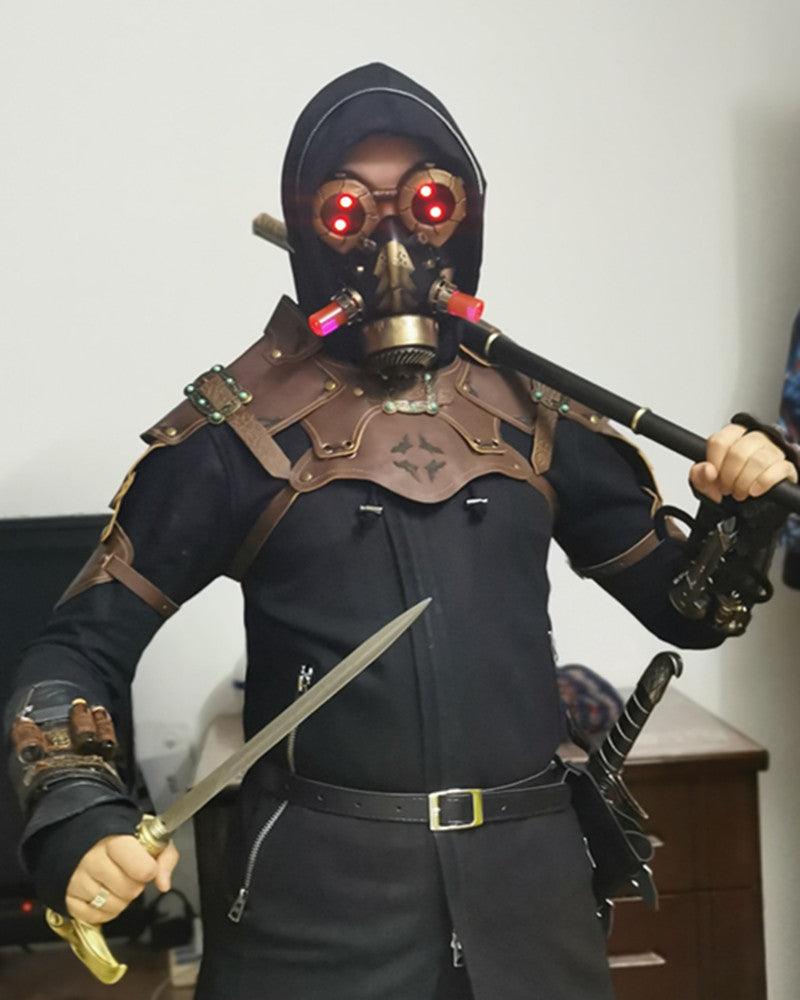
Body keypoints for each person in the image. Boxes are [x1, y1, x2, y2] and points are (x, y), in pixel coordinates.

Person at [6, 63, 798, 1000]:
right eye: (349, 209)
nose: (391, 241)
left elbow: (689, 613)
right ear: (307, 226)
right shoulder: (237, 435)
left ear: (465, 215)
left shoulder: (539, 417)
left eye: (424, 201)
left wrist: (744, 506)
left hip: (533, 904)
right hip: (313, 917)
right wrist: (78, 814)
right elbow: (76, 651)